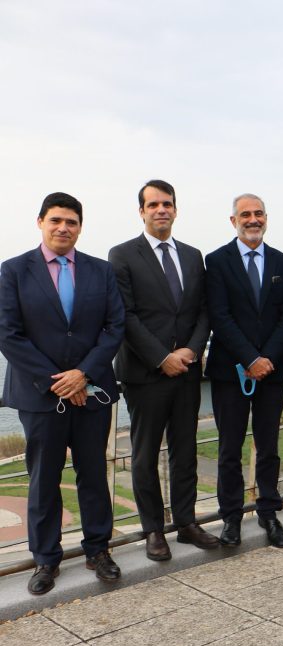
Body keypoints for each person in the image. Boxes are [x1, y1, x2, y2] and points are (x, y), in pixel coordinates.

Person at [0, 192, 125, 595]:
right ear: (40, 222)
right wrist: (59, 381)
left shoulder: (100, 271)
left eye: (71, 222)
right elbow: (9, 334)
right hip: (40, 396)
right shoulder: (14, 271)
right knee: (43, 480)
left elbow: (114, 327)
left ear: (80, 227)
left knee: (93, 475)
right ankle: (46, 559)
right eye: (55, 220)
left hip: (92, 394)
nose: (63, 228)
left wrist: (83, 375)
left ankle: (98, 550)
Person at [109, 179, 220, 562]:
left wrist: (191, 349)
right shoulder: (122, 255)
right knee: (144, 455)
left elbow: (203, 310)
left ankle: (186, 523)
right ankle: (154, 530)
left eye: (167, 203)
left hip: (187, 371)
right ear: (141, 211)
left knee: (185, 450)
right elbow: (126, 316)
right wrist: (162, 357)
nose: (161, 210)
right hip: (146, 374)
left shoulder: (192, 255)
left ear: (176, 208)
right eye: (153, 204)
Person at [204, 194, 283, 548]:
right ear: (234, 221)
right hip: (231, 372)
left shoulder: (282, 262)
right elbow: (219, 315)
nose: (253, 219)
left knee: (269, 445)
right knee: (230, 448)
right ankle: (230, 518)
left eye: (259, 213)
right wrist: (249, 359)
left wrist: (267, 358)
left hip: (272, 371)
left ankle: (269, 512)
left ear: (266, 218)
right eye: (246, 214)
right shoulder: (216, 261)